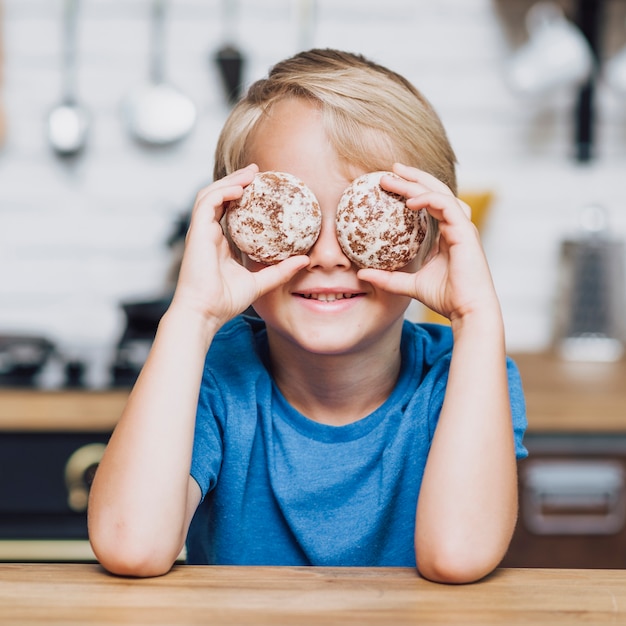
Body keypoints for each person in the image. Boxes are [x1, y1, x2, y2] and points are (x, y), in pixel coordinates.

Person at [88, 48, 527, 584]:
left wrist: (476, 314)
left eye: (366, 212)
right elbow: (130, 545)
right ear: (235, 231)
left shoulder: (466, 376)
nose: (327, 256)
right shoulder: (211, 377)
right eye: (292, 212)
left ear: (428, 233)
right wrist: (193, 315)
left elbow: (457, 556)